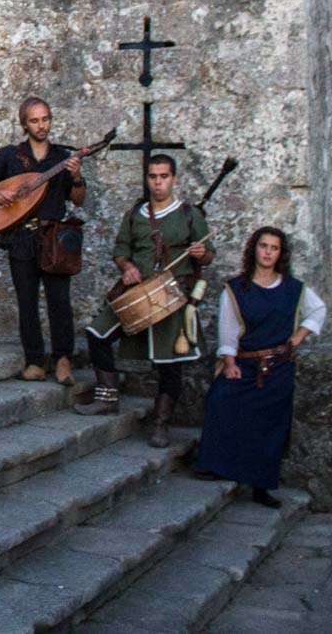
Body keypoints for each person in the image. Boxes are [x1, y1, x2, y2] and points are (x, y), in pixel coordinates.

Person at [75, 154, 213, 449]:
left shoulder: (190, 215)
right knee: (97, 334)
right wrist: (127, 267)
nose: (158, 183)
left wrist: (202, 253)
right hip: (137, 292)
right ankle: (108, 399)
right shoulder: (136, 214)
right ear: (147, 179)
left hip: (171, 296)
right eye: (153, 177)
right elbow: (120, 251)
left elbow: (208, 254)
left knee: (169, 363)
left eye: (164, 176)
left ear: (173, 179)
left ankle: (161, 425)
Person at [196, 226, 326, 508]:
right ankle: (218, 464)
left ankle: (261, 486)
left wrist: (299, 336)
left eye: (274, 248)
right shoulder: (236, 289)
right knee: (222, 400)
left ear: (281, 253)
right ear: (254, 249)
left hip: (278, 367)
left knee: (271, 427)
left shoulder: (294, 289)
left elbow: (318, 310)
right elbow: (228, 329)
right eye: (263, 246)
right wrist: (229, 361)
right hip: (244, 364)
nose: (267, 252)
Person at [0, 96, 84, 383]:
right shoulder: (10, 155)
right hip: (21, 239)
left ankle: (62, 359)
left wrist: (78, 177)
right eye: (34, 120)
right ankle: (34, 360)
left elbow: (79, 200)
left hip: (53, 238)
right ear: (24, 124)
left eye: (45, 119)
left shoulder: (62, 157)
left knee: (59, 301)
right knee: (27, 301)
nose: (41, 125)